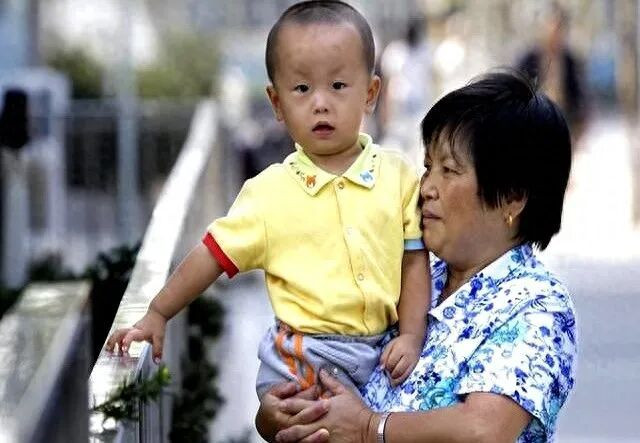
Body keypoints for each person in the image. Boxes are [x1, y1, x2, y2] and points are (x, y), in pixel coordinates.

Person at [106, 0, 430, 399]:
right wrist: (158, 312)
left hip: (385, 352)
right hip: (304, 361)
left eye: (338, 86)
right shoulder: (268, 194)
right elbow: (211, 256)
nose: (321, 102)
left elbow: (414, 261)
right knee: (311, 422)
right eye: (302, 89)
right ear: (277, 103)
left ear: (371, 93)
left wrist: (411, 335)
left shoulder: (398, 177)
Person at [255, 71, 577, 443]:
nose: (426, 188)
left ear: (512, 198)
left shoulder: (537, 305)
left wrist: (369, 428)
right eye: (427, 167)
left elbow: (484, 430)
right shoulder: (411, 274)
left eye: (449, 170)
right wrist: (277, 415)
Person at [517, 2, 587, 144]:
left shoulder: (569, 61)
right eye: (550, 27)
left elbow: (579, 98)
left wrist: (578, 129)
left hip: (564, 126)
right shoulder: (528, 60)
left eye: (558, 28)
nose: (554, 34)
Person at [378, 16, 434, 169]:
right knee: (396, 142)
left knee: (418, 143)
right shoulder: (396, 51)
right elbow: (387, 83)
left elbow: (430, 78)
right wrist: (385, 109)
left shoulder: (425, 50)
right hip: (399, 103)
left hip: (419, 102)